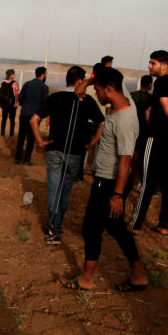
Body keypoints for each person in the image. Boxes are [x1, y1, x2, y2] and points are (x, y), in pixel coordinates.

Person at [62, 67, 147, 292]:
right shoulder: (121, 97)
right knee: (116, 227)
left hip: (110, 182)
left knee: (91, 228)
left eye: (98, 90)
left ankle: (87, 278)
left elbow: (126, 161)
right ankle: (138, 274)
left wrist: (118, 195)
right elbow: (89, 87)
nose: (96, 95)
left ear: (109, 89)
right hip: (106, 179)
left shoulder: (125, 120)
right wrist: (90, 82)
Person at [30, 66, 105, 245]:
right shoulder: (85, 101)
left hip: (54, 150)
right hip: (76, 153)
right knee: (64, 192)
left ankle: (53, 228)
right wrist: (90, 144)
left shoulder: (54, 97)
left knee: (54, 191)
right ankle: (57, 226)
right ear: (80, 81)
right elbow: (102, 123)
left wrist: (40, 141)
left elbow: (34, 120)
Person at [128, 50, 168, 235]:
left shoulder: (161, 82)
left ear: (164, 65)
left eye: (152, 63)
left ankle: (135, 223)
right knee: (167, 184)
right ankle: (163, 224)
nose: (149, 66)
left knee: (147, 181)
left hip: (154, 138)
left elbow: (167, 108)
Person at [15, 66, 48, 165]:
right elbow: (45, 103)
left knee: (21, 137)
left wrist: (25, 105)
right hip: (35, 117)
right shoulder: (44, 87)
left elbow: (20, 98)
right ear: (43, 75)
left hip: (24, 113)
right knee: (31, 138)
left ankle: (17, 159)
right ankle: (27, 160)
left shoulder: (27, 84)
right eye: (46, 74)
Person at [0, 69, 19, 137]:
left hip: (4, 104)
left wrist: (1, 103)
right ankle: (11, 135)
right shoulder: (14, 83)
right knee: (12, 120)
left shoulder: (3, 83)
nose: (14, 75)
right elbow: (16, 94)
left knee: (4, 119)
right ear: (11, 75)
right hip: (12, 104)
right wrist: (16, 103)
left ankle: (2, 133)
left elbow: (0, 94)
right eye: (13, 74)